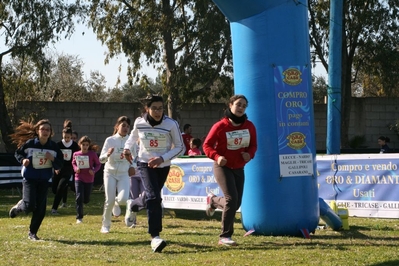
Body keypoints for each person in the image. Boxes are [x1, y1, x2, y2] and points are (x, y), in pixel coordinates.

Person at [123, 95, 184, 253]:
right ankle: (155, 237)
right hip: (144, 164)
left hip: (163, 165)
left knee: (151, 195)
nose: (158, 112)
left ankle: (134, 204)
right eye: (154, 108)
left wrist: (162, 158)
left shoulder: (171, 124)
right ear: (147, 109)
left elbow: (180, 147)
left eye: (160, 108)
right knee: (154, 197)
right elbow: (132, 138)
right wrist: (127, 148)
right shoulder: (139, 122)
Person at [203, 94, 257, 246]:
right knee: (231, 200)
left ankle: (213, 201)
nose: (241, 108)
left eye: (244, 106)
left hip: (239, 167)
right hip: (222, 166)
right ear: (230, 105)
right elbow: (206, 145)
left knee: (236, 203)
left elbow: (253, 146)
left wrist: (249, 154)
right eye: (238, 104)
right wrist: (217, 156)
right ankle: (225, 236)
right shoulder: (220, 126)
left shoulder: (249, 126)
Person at [9, 119, 64, 241]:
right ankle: (20, 206)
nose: (45, 132)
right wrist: (23, 160)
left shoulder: (54, 147)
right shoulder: (30, 144)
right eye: (42, 129)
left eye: (47, 130)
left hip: (44, 180)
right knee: (29, 205)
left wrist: (53, 160)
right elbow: (18, 154)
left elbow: (60, 164)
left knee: (40, 209)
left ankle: (32, 233)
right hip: (30, 178)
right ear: (37, 131)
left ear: (51, 132)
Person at [99, 116, 133, 233]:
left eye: (128, 126)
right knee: (109, 200)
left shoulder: (131, 141)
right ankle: (106, 225)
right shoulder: (110, 140)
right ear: (117, 126)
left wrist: (132, 166)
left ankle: (116, 202)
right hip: (110, 173)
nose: (125, 128)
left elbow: (136, 159)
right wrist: (107, 155)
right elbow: (101, 159)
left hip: (124, 174)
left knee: (124, 199)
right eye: (123, 125)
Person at [51, 120, 80, 214]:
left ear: (71, 136)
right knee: (55, 189)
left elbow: (78, 156)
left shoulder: (75, 146)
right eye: (65, 137)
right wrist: (55, 167)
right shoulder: (58, 145)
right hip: (58, 168)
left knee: (60, 187)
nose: (67, 139)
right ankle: (62, 193)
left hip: (68, 169)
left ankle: (54, 209)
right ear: (62, 136)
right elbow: (54, 157)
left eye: (68, 137)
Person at [72, 136, 101, 224]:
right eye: (83, 144)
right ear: (79, 145)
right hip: (79, 177)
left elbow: (98, 164)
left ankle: (85, 200)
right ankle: (79, 217)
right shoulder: (76, 154)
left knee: (86, 199)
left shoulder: (92, 154)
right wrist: (76, 168)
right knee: (79, 197)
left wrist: (94, 170)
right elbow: (73, 162)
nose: (85, 147)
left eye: (86, 145)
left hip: (89, 179)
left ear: (89, 146)